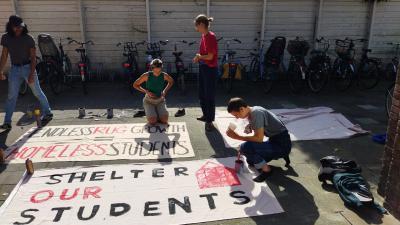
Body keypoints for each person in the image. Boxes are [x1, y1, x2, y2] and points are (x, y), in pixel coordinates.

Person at [0, 15, 52, 130]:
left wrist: (31, 74)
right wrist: (0, 70)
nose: (19, 29)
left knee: (37, 92)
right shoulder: (6, 38)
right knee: (11, 96)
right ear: (10, 27)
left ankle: (48, 113)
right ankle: (7, 122)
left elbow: (33, 57)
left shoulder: (29, 38)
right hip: (14, 69)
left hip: (28, 67)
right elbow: (4, 55)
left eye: (21, 27)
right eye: (16, 27)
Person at [226, 97, 292, 183]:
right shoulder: (254, 110)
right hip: (276, 140)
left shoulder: (256, 114)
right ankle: (280, 154)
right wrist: (251, 125)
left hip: (282, 144)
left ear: (241, 109)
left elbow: (259, 139)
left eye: (236, 115)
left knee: (246, 147)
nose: (237, 118)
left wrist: (237, 136)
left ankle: (267, 171)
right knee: (251, 162)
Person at [193, 14, 218, 132]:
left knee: (209, 96)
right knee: (201, 94)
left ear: (202, 25)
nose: (196, 28)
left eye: (196, 26)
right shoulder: (204, 36)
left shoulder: (210, 37)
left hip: (210, 69)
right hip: (203, 68)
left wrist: (199, 57)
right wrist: (199, 57)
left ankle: (210, 121)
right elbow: (204, 55)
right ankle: (205, 115)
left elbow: (210, 56)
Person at [133, 59, 174, 125]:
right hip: (149, 101)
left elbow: (171, 82)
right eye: (156, 69)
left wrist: (164, 91)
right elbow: (135, 85)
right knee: (152, 121)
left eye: (159, 69)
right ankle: (151, 112)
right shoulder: (146, 75)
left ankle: (156, 112)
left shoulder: (164, 75)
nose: (158, 72)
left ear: (161, 67)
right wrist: (146, 91)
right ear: (152, 68)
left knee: (164, 120)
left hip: (160, 100)